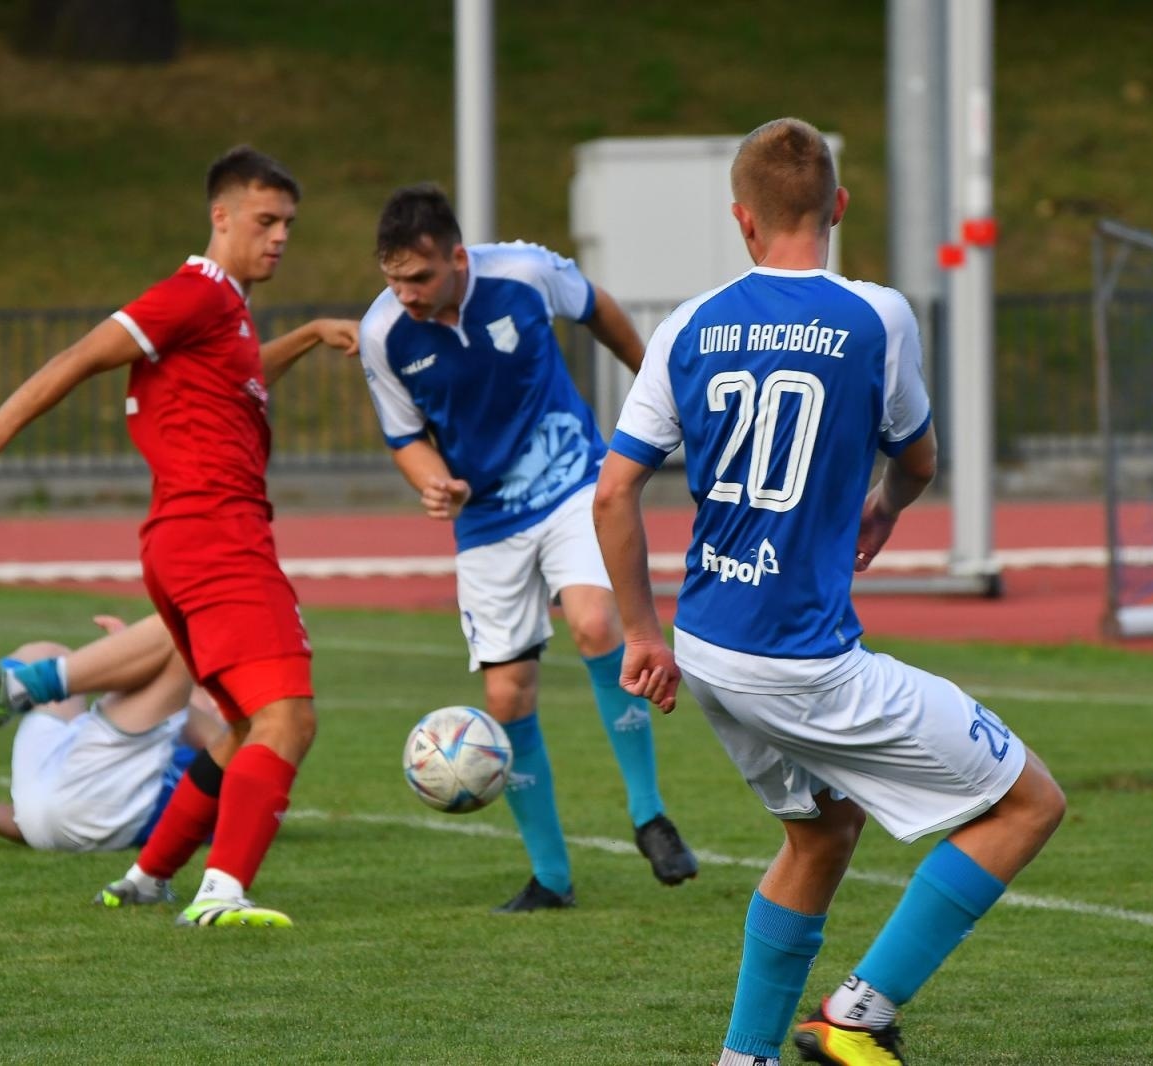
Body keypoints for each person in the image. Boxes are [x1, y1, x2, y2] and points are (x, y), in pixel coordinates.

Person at [592, 118, 1067, 1066]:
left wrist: (642, 636)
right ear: (838, 209)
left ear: (742, 220)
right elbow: (920, 459)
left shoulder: (687, 325)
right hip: (802, 663)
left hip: (708, 647)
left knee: (821, 835)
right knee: (1029, 805)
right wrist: (884, 507)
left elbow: (613, 491)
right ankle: (857, 1013)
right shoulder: (876, 316)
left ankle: (746, 1057)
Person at [0, 145, 359, 928]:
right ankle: (222, 892)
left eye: (288, 222)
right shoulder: (194, 295)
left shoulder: (227, 313)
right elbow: (83, 355)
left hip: (183, 543)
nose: (280, 237)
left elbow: (242, 380)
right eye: (265, 220)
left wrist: (309, 336)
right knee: (289, 718)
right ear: (220, 216)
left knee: (236, 728)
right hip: (217, 539)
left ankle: (147, 876)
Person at [356, 183, 698, 912]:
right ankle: (551, 877)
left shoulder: (523, 272)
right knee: (506, 694)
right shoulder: (382, 333)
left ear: (456, 257)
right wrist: (433, 483)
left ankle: (649, 815)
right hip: (485, 520)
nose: (407, 295)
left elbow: (599, 308)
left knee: (597, 623)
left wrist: (655, 384)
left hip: (571, 476)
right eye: (393, 281)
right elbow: (405, 435)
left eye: (419, 278)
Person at [0, 615, 221, 854]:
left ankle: (3, 692)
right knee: (48, 653)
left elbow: (207, 724)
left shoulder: (237, 752)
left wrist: (135, 656)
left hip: (102, 801)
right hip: (61, 800)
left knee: (174, 636)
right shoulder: (176, 743)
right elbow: (40, 821)